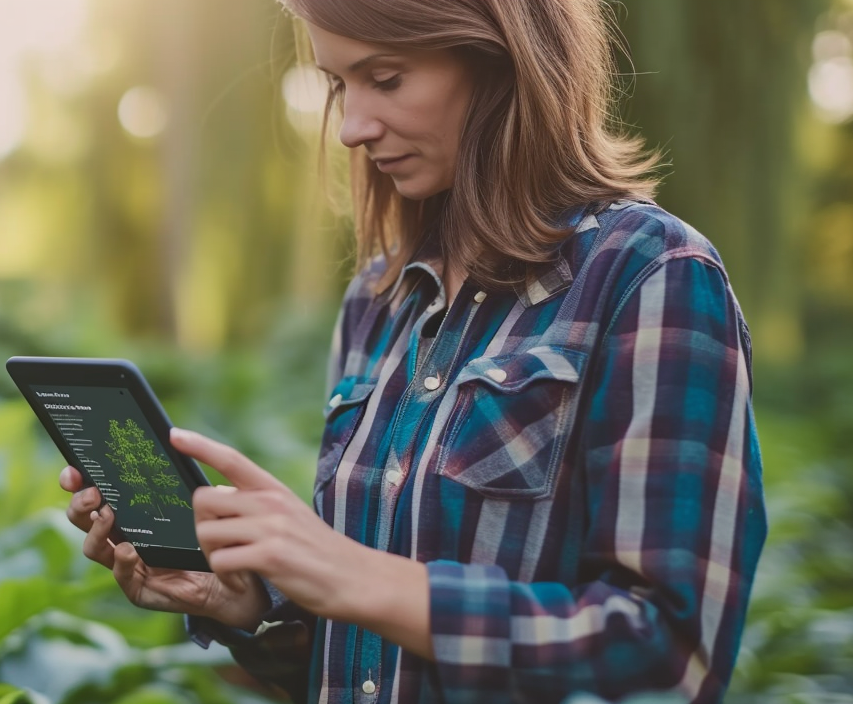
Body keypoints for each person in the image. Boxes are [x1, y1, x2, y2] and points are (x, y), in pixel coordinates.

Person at [57, 0, 767, 702]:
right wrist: (248, 605)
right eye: (339, 86)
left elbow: (670, 659)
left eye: (387, 78)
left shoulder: (652, 276)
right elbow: (362, 670)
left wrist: (367, 580)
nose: (352, 129)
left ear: (502, 58)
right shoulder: (380, 299)